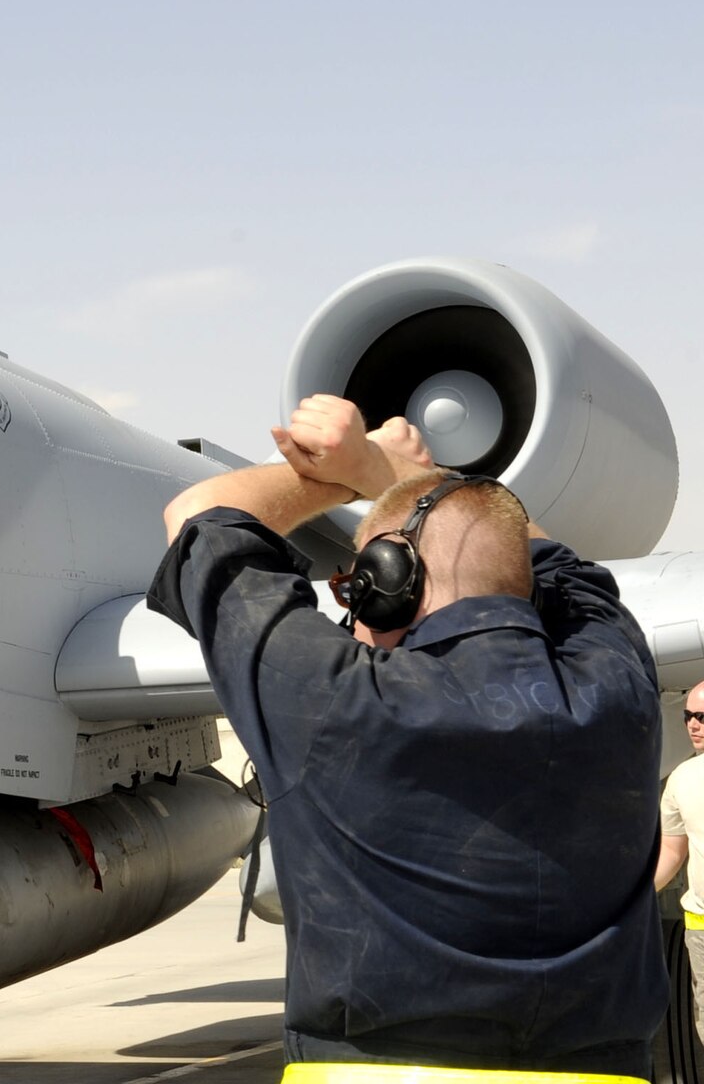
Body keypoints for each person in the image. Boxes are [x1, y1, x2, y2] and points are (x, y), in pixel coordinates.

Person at [149, 393, 665, 1078]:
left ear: (390, 582)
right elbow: (549, 560)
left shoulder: (337, 698)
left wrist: (348, 471)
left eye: (356, 583)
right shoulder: (620, 682)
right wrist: (398, 475)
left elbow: (195, 517)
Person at [656, 679, 704, 1047]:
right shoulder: (681, 778)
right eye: (688, 716)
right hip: (700, 930)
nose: (692, 725)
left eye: (702, 717)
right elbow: (673, 850)